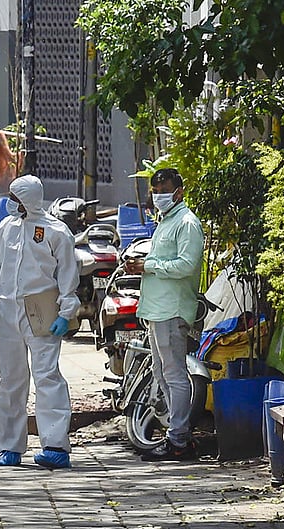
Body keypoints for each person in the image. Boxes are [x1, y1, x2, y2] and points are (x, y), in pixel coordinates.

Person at [0, 174, 80, 469]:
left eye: (15, 198)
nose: (10, 203)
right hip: (9, 311)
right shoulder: (7, 228)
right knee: (9, 379)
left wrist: (65, 312)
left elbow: (68, 276)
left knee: (47, 376)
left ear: (29, 200)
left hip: (42, 311)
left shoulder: (56, 232)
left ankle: (55, 445)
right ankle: (8, 446)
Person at [124, 167, 204, 462]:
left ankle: (179, 440)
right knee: (161, 373)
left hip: (172, 309)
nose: (158, 197)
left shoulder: (186, 223)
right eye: (155, 192)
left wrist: (148, 266)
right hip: (157, 309)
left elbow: (186, 265)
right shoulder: (166, 222)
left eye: (164, 191)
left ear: (179, 192)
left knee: (174, 374)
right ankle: (176, 433)